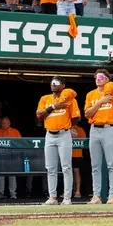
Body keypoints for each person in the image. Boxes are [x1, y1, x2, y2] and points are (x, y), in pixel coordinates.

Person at [36, 77, 79, 205]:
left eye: (56, 83)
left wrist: (69, 126)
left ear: (63, 85)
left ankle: (67, 198)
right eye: (52, 83)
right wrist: (53, 107)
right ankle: (53, 197)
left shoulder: (70, 99)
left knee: (66, 166)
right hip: (49, 134)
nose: (53, 85)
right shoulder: (45, 98)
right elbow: (39, 115)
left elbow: (76, 117)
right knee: (50, 168)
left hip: (64, 134)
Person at [84, 70, 113, 204]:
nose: (98, 79)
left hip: (108, 129)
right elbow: (87, 114)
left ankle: (112, 195)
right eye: (96, 77)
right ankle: (96, 196)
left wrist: (110, 122)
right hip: (94, 129)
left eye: (101, 77)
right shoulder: (91, 94)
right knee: (95, 165)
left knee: (111, 163)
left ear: (107, 80)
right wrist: (100, 102)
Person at [0, 117, 21, 199]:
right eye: (3, 123)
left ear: (9, 123)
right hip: (1, 157)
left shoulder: (15, 132)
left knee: (12, 176)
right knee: (1, 175)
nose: (4, 125)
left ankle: (13, 194)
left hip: (12, 156)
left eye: (6, 123)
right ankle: (0, 193)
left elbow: (21, 143)